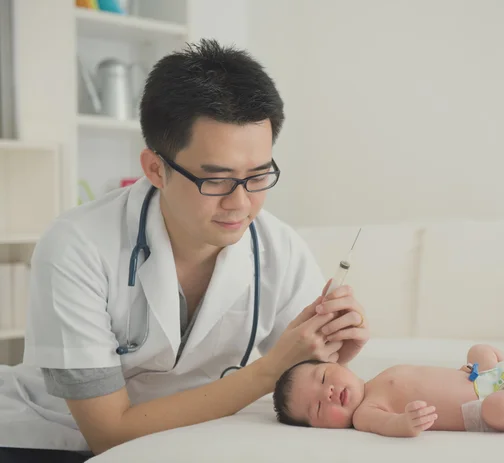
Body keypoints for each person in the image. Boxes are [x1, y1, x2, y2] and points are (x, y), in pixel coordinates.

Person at [0, 39, 370, 462]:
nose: (241, 203)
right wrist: (267, 371)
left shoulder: (279, 248)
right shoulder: (75, 247)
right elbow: (107, 433)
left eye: (258, 176)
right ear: (156, 168)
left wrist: (328, 359)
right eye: (216, 180)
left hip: (185, 437)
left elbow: (295, 377)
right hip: (50, 439)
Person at [273, 344, 504, 436]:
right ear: (317, 426)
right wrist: (406, 422)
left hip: (486, 379)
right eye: (317, 407)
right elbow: (389, 425)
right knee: (498, 408)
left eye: (325, 376)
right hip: (485, 408)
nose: (327, 393)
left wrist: (468, 372)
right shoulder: (364, 414)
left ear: (338, 364)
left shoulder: (380, 377)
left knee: (479, 351)